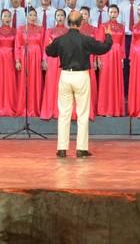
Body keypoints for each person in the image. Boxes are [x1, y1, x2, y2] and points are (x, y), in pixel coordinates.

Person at [45, 11, 114, 158]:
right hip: (81, 76)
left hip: (65, 75)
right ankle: (81, 148)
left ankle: (62, 148)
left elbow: (49, 52)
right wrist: (108, 36)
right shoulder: (86, 39)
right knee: (82, 113)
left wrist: (50, 45)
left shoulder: (60, 39)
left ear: (68, 22)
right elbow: (104, 48)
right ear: (81, 23)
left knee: (64, 113)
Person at [39, 9, 70, 120]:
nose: (60, 17)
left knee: (64, 86)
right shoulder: (49, 31)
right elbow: (45, 47)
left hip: (65, 60)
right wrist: (44, 60)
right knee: (51, 84)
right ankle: (50, 110)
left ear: (65, 18)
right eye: (58, 15)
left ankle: (62, 111)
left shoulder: (68, 31)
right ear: (55, 17)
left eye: (62, 15)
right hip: (52, 60)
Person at [15, 8, 45, 117]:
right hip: (25, 56)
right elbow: (17, 45)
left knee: (36, 81)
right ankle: (24, 108)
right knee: (24, 81)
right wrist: (17, 60)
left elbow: (44, 46)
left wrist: (44, 60)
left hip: (37, 56)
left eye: (34, 15)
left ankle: (35, 108)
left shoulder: (41, 29)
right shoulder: (21, 29)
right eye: (30, 15)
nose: (32, 17)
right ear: (26, 16)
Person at [97, 5, 126, 116]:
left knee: (116, 80)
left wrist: (122, 58)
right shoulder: (103, 26)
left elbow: (122, 43)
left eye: (115, 12)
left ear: (118, 14)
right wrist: (99, 58)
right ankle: (105, 109)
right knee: (106, 79)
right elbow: (100, 42)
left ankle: (116, 109)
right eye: (111, 12)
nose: (113, 14)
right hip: (106, 53)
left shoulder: (121, 27)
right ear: (108, 13)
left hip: (117, 55)